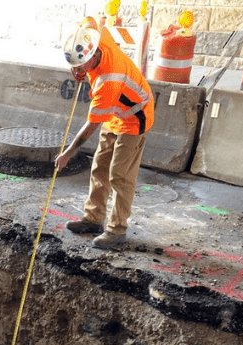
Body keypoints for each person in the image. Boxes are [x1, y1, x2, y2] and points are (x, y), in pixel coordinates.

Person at [55, 21, 155, 249]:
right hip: (115, 112)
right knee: (100, 167)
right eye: (74, 67)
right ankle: (93, 218)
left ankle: (117, 230)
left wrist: (68, 153)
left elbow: (90, 127)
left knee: (120, 175)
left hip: (134, 117)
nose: (77, 72)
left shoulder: (108, 80)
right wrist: (81, 68)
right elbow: (89, 22)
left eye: (81, 66)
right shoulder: (94, 36)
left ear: (93, 55)